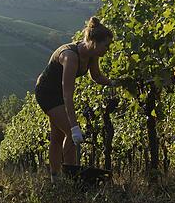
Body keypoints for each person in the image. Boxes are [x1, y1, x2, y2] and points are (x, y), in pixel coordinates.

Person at [34, 17, 117, 179]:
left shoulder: (92, 54)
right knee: (70, 134)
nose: (108, 49)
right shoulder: (70, 57)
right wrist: (74, 127)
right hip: (47, 93)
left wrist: (114, 83)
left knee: (57, 136)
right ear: (94, 42)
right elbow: (67, 95)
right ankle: (72, 178)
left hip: (59, 93)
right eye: (106, 45)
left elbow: (97, 76)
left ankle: (55, 178)